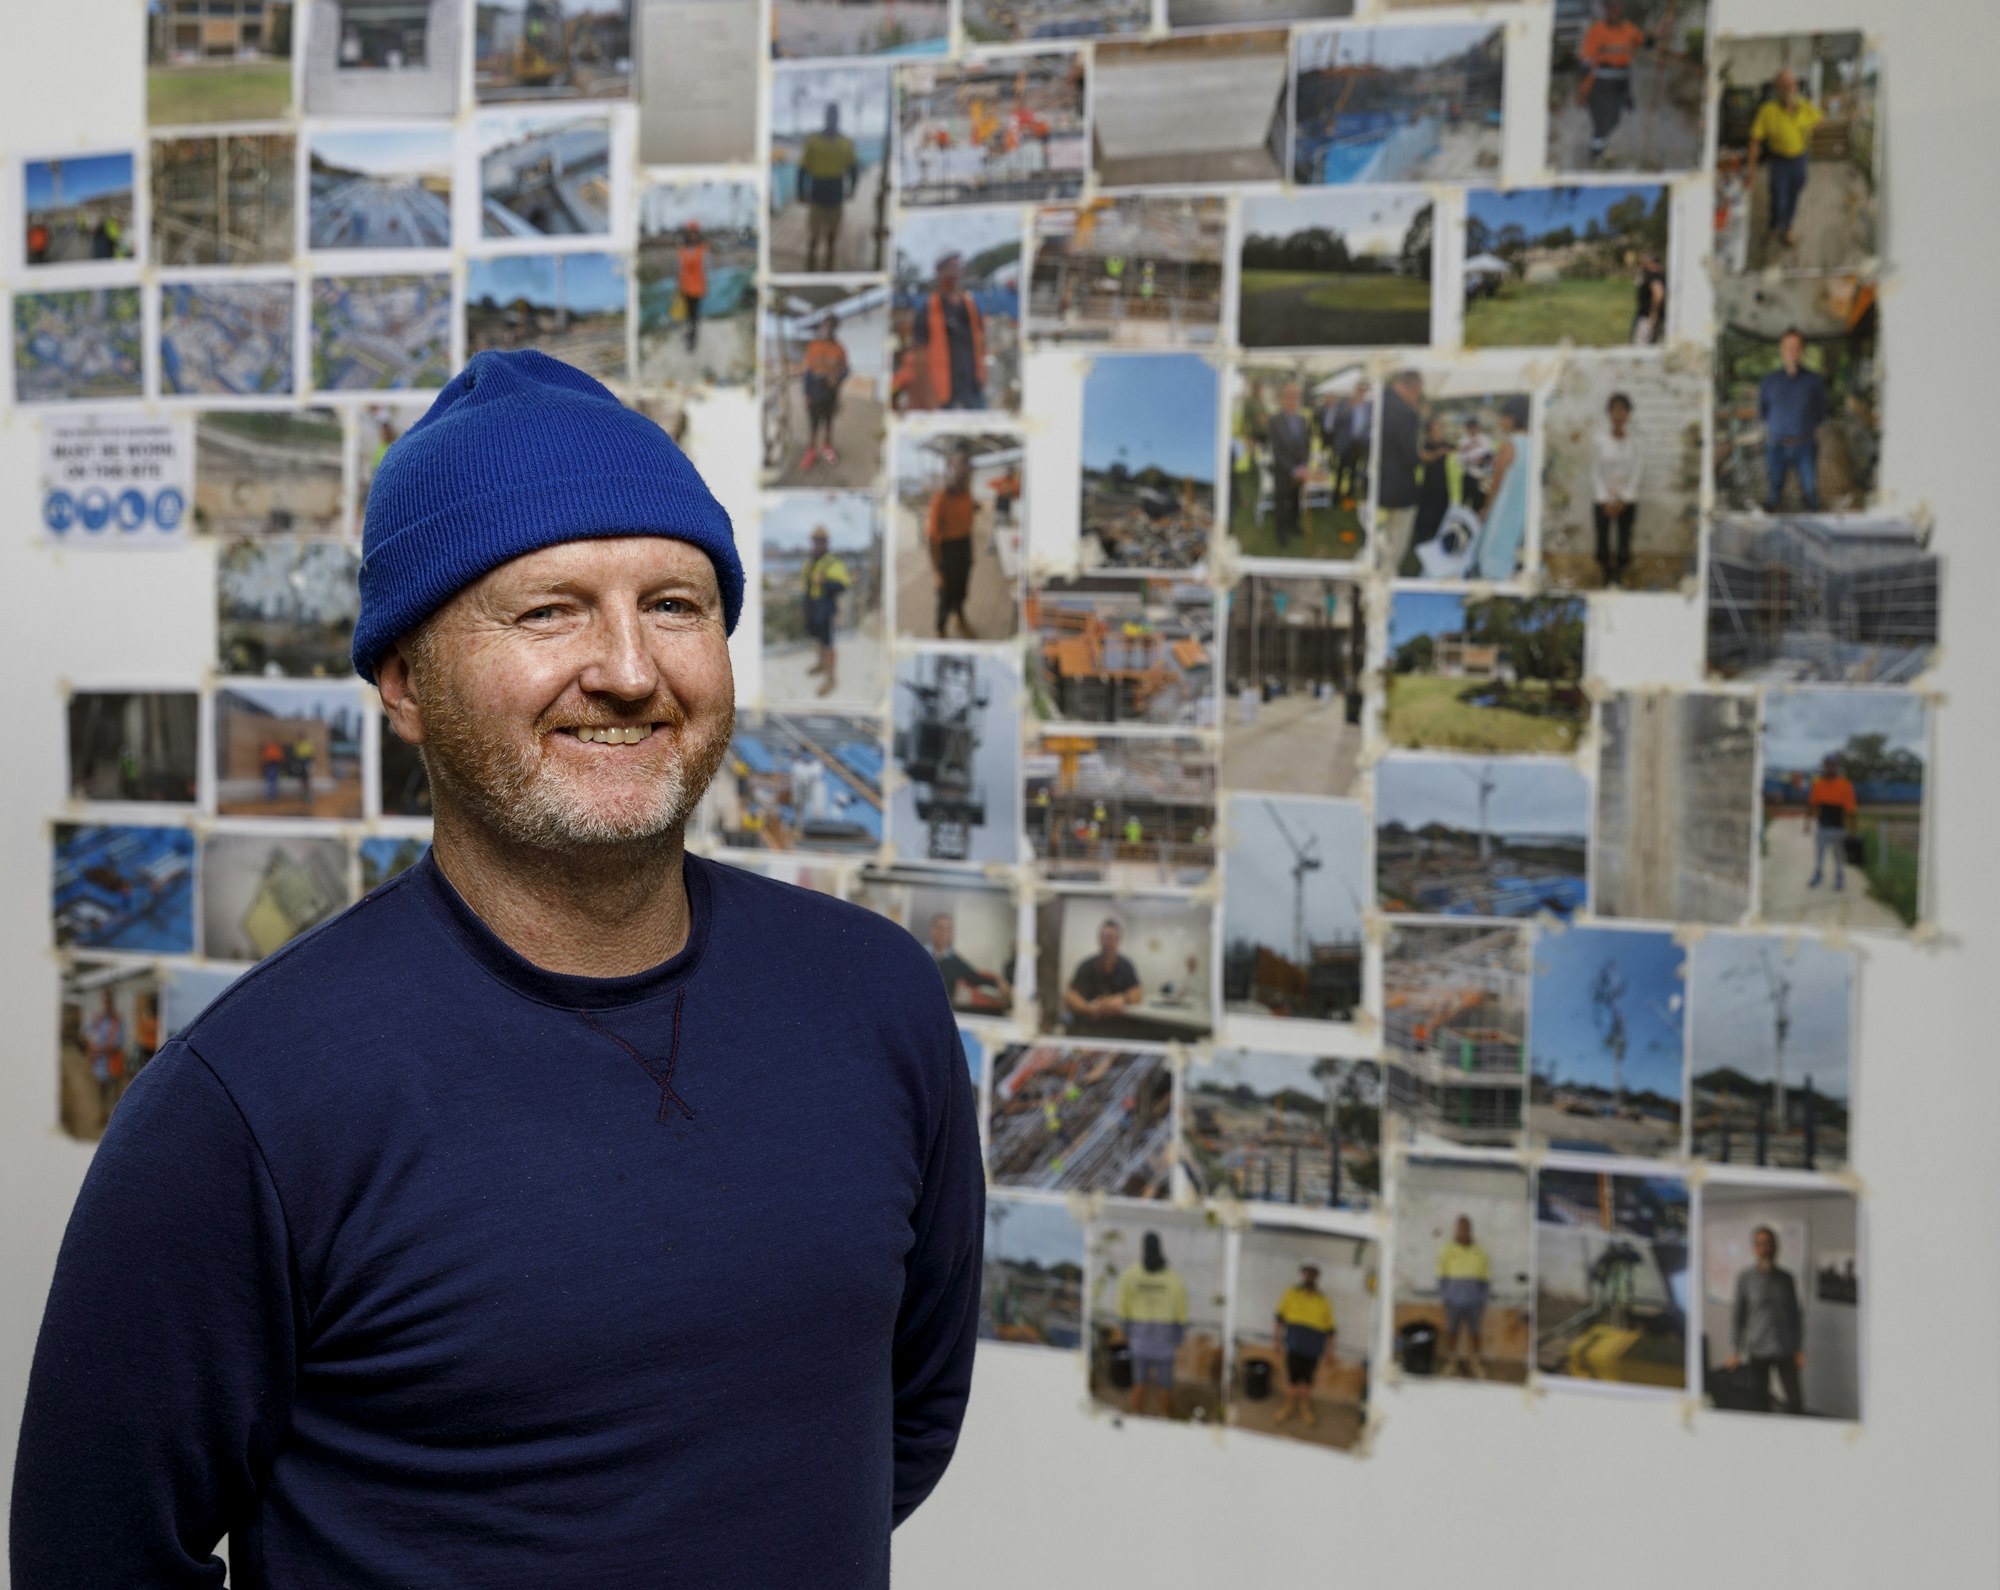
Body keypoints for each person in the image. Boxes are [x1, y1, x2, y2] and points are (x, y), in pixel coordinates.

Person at [11, 349, 982, 1587]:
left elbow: (897, 1427)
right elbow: (90, 1560)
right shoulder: (242, 1108)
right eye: (549, 609)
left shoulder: (876, 998)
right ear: (406, 683)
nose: (630, 669)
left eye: (675, 605)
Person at [1723, 1225, 1806, 1414]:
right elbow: (1738, 1315)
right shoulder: (1745, 1278)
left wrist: (1799, 1348)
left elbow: (1796, 1315)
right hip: (1758, 1349)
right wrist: (1736, 1350)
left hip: (1785, 1348)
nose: (1764, 1247)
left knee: (1795, 1400)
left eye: (1768, 1243)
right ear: (1754, 1248)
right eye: (1759, 1244)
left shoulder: (1786, 1279)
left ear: (1775, 1247)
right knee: (1759, 1401)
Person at [1745, 69, 1823, 252]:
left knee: (1793, 196)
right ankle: (1774, 225)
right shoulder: (1767, 110)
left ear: (1796, 86)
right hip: (1779, 161)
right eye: (1784, 83)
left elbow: (1818, 120)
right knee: (1778, 197)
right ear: (1777, 88)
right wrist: (1751, 171)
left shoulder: (1805, 106)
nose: (1789, 86)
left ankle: (1787, 228)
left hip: (1800, 160)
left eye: (1792, 83)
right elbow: (1754, 140)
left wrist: (1808, 129)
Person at [1116, 1232, 1188, 1418]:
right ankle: (1165, 1417)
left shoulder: (1129, 1275)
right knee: (1165, 1384)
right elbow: (1182, 1315)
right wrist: (1178, 1339)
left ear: (1143, 1249)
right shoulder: (1174, 1279)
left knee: (1138, 1382)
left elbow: (1123, 1312)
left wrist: (1130, 1335)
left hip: (1139, 1343)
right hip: (1165, 1344)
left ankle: (1135, 1415)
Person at [1759, 327, 1827, 512]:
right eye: (1788, 347)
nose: (1792, 351)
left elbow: (1821, 413)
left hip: (1805, 445)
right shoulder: (1769, 381)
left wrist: (1801, 426)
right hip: (1776, 446)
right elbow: (1763, 411)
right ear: (1782, 349)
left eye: (1796, 347)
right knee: (1774, 492)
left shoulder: (1814, 381)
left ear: (1802, 350)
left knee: (1811, 492)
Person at [911, 251, 985, 411]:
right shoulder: (928, 310)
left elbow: (980, 339)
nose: (955, 272)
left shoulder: (970, 305)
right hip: (944, 390)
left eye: (958, 267)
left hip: (972, 385)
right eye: (950, 267)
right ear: (939, 273)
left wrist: (982, 372)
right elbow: (919, 356)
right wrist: (927, 395)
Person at [1577, 0, 1649, 163]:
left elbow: (1646, 42)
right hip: (1600, 85)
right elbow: (1586, 62)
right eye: (1609, 6)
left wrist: (1661, 30)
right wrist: (1583, 90)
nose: (1613, 10)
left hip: (1620, 84)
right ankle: (1596, 155)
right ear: (1605, 9)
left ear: (1621, 8)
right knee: (1601, 122)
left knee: (1615, 120)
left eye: (1616, 6)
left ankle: (1599, 147)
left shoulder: (1629, 29)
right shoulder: (1597, 31)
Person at [1272, 1262, 1335, 1429]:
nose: (1309, 1276)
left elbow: (1330, 1330)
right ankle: (1288, 1406)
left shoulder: (1323, 1300)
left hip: (1313, 1348)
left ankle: (1305, 1408)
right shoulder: (1291, 1293)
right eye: (1306, 1273)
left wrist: (1330, 1353)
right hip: (1294, 1345)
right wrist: (1276, 1341)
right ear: (1302, 1275)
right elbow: (1279, 1319)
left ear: (1316, 1277)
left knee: (1307, 1381)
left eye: (1313, 1273)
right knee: (1292, 1380)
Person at [797, 102, 859, 273]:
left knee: (832, 239)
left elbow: (853, 168)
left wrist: (853, 188)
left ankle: (829, 270)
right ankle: (810, 269)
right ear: (825, 117)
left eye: (835, 115)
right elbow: (802, 168)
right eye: (829, 115)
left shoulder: (846, 142)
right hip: (816, 197)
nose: (832, 118)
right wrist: (800, 192)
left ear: (838, 118)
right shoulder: (813, 141)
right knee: (814, 238)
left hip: (836, 198)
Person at [1476, 396, 1531, 581]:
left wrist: (1485, 507)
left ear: (1513, 418)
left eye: (1504, 416)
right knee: (1511, 546)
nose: (1501, 421)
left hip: (1504, 504)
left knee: (1494, 546)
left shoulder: (1509, 445)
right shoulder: (1533, 443)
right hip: (1522, 505)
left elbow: (1496, 482)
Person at [1592, 391, 1643, 588]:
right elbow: (1595, 471)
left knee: (1624, 541)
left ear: (1629, 414)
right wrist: (1604, 499)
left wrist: (1624, 498)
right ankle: (1605, 573)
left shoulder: (1636, 442)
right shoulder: (1599, 440)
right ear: (1609, 413)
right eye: (1615, 410)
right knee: (1602, 541)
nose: (1619, 415)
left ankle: (1620, 575)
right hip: (1602, 499)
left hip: (1627, 500)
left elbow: (1637, 471)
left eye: (1623, 410)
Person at [925, 446, 978, 639]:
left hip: (964, 547)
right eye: (961, 463)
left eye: (968, 465)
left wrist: (970, 556)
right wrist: (936, 571)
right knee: (945, 595)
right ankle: (940, 629)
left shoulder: (967, 496)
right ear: (951, 467)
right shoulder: (940, 499)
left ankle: (960, 618)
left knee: (962, 589)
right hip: (947, 553)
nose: (965, 469)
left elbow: (968, 527)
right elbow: (931, 538)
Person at [1376, 370, 1425, 572]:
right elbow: (1409, 453)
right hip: (1399, 485)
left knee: (1378, 531)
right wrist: (1419, 460)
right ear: (1414, 389)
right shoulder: (1406, 412)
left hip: (1376, 481)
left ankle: (1375, 563)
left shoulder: (1378, 400)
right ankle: (1387, 573)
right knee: (1398, 534)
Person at [1065, 916, 1142, 1033]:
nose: (1108, 942)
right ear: (1099, 939)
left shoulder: (1126, 965)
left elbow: (1137, 992)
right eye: (1105, 937)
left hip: (1118, 1027)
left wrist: (1121, 999)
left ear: (1118, 940)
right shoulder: (1086, 965)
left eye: (1112, 938)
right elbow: (1071, 996)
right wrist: (1088, 1009)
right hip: (1088, 1025)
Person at [1437, 1215, 1492, 1378]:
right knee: (1452, 1332)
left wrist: (1481, 1299)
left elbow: (1485, 1278)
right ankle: (1451, 1363)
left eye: (1466, 1228)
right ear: (1457, 1229)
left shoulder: (1480, 1251)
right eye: (1461, 1228)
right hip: (1453, 1302)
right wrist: (1447, 1296)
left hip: (1474, 1303)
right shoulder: (1448, 1250)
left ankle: (1476, 1364)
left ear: (1470, 1230)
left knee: (1475, 1333)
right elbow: (1442, 1276)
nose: (1463, 1231)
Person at [801, 524, 851, 697]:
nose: (818, 543)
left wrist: (825, 582)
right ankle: (821, 664)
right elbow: (806, 586)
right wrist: (804, 608)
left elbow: (843, 585)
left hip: (826, 606)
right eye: (815, 540)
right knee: (818, 638)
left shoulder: (834, 563)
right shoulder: (810, 562)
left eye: (821, 540)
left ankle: (831, 678)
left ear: (827, 542)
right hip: (813, 606)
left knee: (829, 643)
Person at [927, 911, 1011, 1012]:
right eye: (939, 927)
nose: (942, 932)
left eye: (947, 929)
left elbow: (975, 978)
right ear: (931, 930)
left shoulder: (955, 961)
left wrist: (998, 982)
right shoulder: (917, 954)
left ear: (950, 934)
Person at [799, 313, 849, 473]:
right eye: (826, 325)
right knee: (813, 425)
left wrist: (838, 377)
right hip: (814, 390)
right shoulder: (813, 346)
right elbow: (807, 371)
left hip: (831, 392)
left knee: (828, 423)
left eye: (832, 326)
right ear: (822, 326)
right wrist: (806, 393)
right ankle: (811, 451)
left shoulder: (840, 349)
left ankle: (827, 447)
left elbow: (847, 370)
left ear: (836, 328)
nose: (828, 329)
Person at [1266, 382, 1313, 550]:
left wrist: (1303, 466)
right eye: (1290, 396)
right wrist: (1292, 469)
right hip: (1283, 471)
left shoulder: (1302, 419)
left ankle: (1294, 526)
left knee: (1295, 501)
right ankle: (1281, 532)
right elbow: (1276, 451)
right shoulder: (1275, 420)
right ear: (1283, 398)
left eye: (1297, 396)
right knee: (1282, 502)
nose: (1294, 400)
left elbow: (1307, 445)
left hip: (1300, 472)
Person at [1408, 413, 1455, 571]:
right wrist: (1438, 453)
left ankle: (1438, 547)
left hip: (1443, 488)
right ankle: (1420, 547)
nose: (1438, 432)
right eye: (1435, 430)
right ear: (1429, 432)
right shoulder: (1428, 445)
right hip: (1428, 488)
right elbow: (1424, 457)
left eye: (1439, 429)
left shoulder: (1446, 445)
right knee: (1425, 518)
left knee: (1440, 517)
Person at [1805, 752, 1857, 891]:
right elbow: (1812, 804)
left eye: (1833, 765)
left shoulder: (1845, 785)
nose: (1830, 768)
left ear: (1837, 766)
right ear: (1824, 766)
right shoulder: (1818, 784)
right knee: (1819, 854)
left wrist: (1853, 830)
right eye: (1827, 765)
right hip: (1822, 827)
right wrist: (1807, 823)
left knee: (1838, 856)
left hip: (1839, 828)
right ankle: (1818, 874)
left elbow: (1851, 810)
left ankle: (1840, 878)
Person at [84, 989, 125, 1119]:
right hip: (100, 1064)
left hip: (112, 1063)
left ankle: (114, 1119)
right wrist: (92, 1048)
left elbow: (119, 1042)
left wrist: (100, 1050)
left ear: (113, 1002)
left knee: (114, 1094)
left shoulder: (118, 1020)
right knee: (101, 1092)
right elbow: (89, 1034)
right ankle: (102, 1115)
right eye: (104, 1001)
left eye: (109, 1001)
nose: (106, 1004)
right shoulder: (98, 1019)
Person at [1335, 379, 1372, 501]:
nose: (1361, 392)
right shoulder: (1345, 403)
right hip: (1346, 442)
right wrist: (1349, 407)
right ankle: (1336, 494)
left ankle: (1349, 495)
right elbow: (1338, 421)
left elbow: (1371, 424)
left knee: (1355, 469)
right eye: (1359, 389)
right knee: (1340, 469)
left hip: (1360, 443)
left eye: (1364, 389)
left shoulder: (1369, 406)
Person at [676, 222, 708, 355]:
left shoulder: (702, 249)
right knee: (688, 314)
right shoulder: (683, 250)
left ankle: (693, 339)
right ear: (687, 234)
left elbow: (706, 268)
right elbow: (679, 268)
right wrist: (678, 284)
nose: (692, 236)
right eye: (690, 233)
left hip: (697, 288)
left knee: (694, 315)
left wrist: (706, 285)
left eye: (695, 233)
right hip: (685, 287)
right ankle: (689, 333)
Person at [1456, 413, 1495, 515]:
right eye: (1470, 427)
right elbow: (1459, 460)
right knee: (1464, 504)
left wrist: (1483, 461)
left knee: (1478, 504)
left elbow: (1490, 457)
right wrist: (1471, 459)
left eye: (1475, 427)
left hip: (1482, 476)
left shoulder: (1485, 440)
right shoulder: (1463, 441)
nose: (1473, 429)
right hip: (1469, 475)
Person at [1631, 252, 1666, 344]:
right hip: (1659, 317)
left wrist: (1653, 313)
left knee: (1640, 346)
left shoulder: (1654, 276)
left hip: (1647, 318)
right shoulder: (1662, 276)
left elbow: (1658, 294)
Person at [261, 737, 284, 803]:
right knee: (271, 781)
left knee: (274, 781)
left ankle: (272, 795)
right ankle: (271, 795)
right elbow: (265, 757)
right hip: (270, 765)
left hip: (275, 766)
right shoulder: (270, 748)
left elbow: (280, 757)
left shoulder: (277, 748)